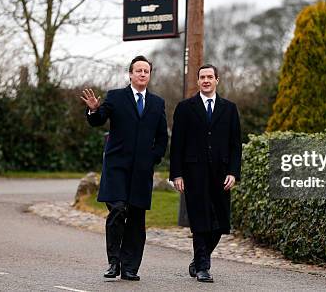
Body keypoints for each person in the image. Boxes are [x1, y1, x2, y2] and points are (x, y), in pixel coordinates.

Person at [81, 55, 168, 281]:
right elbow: (99, 119)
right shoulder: (116, 97)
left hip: (141, 171)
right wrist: (93, 110)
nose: (142, 74)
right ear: (130, 74)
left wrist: (153, 158)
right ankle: (114, 261)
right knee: (118, 209)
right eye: (138, 70)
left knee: (137, 218)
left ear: (149, 75)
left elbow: (161, 137)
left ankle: (130, 268)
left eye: (146, 71)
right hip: (117, 167)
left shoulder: (158, 103)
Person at [170, 64, 242, 283]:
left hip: (221, 174)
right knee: (200, 221)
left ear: (217, 80)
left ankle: (198, 259)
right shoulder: (185, 108)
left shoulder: (229, 108)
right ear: (198, 81)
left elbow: (235, 145)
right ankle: (203, 267)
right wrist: (177, 174)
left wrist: (233, 172)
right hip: (194, 173)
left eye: (210, 77)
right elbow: (177, 145)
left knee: (220, 223)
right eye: (202, 77)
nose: (206, 80)